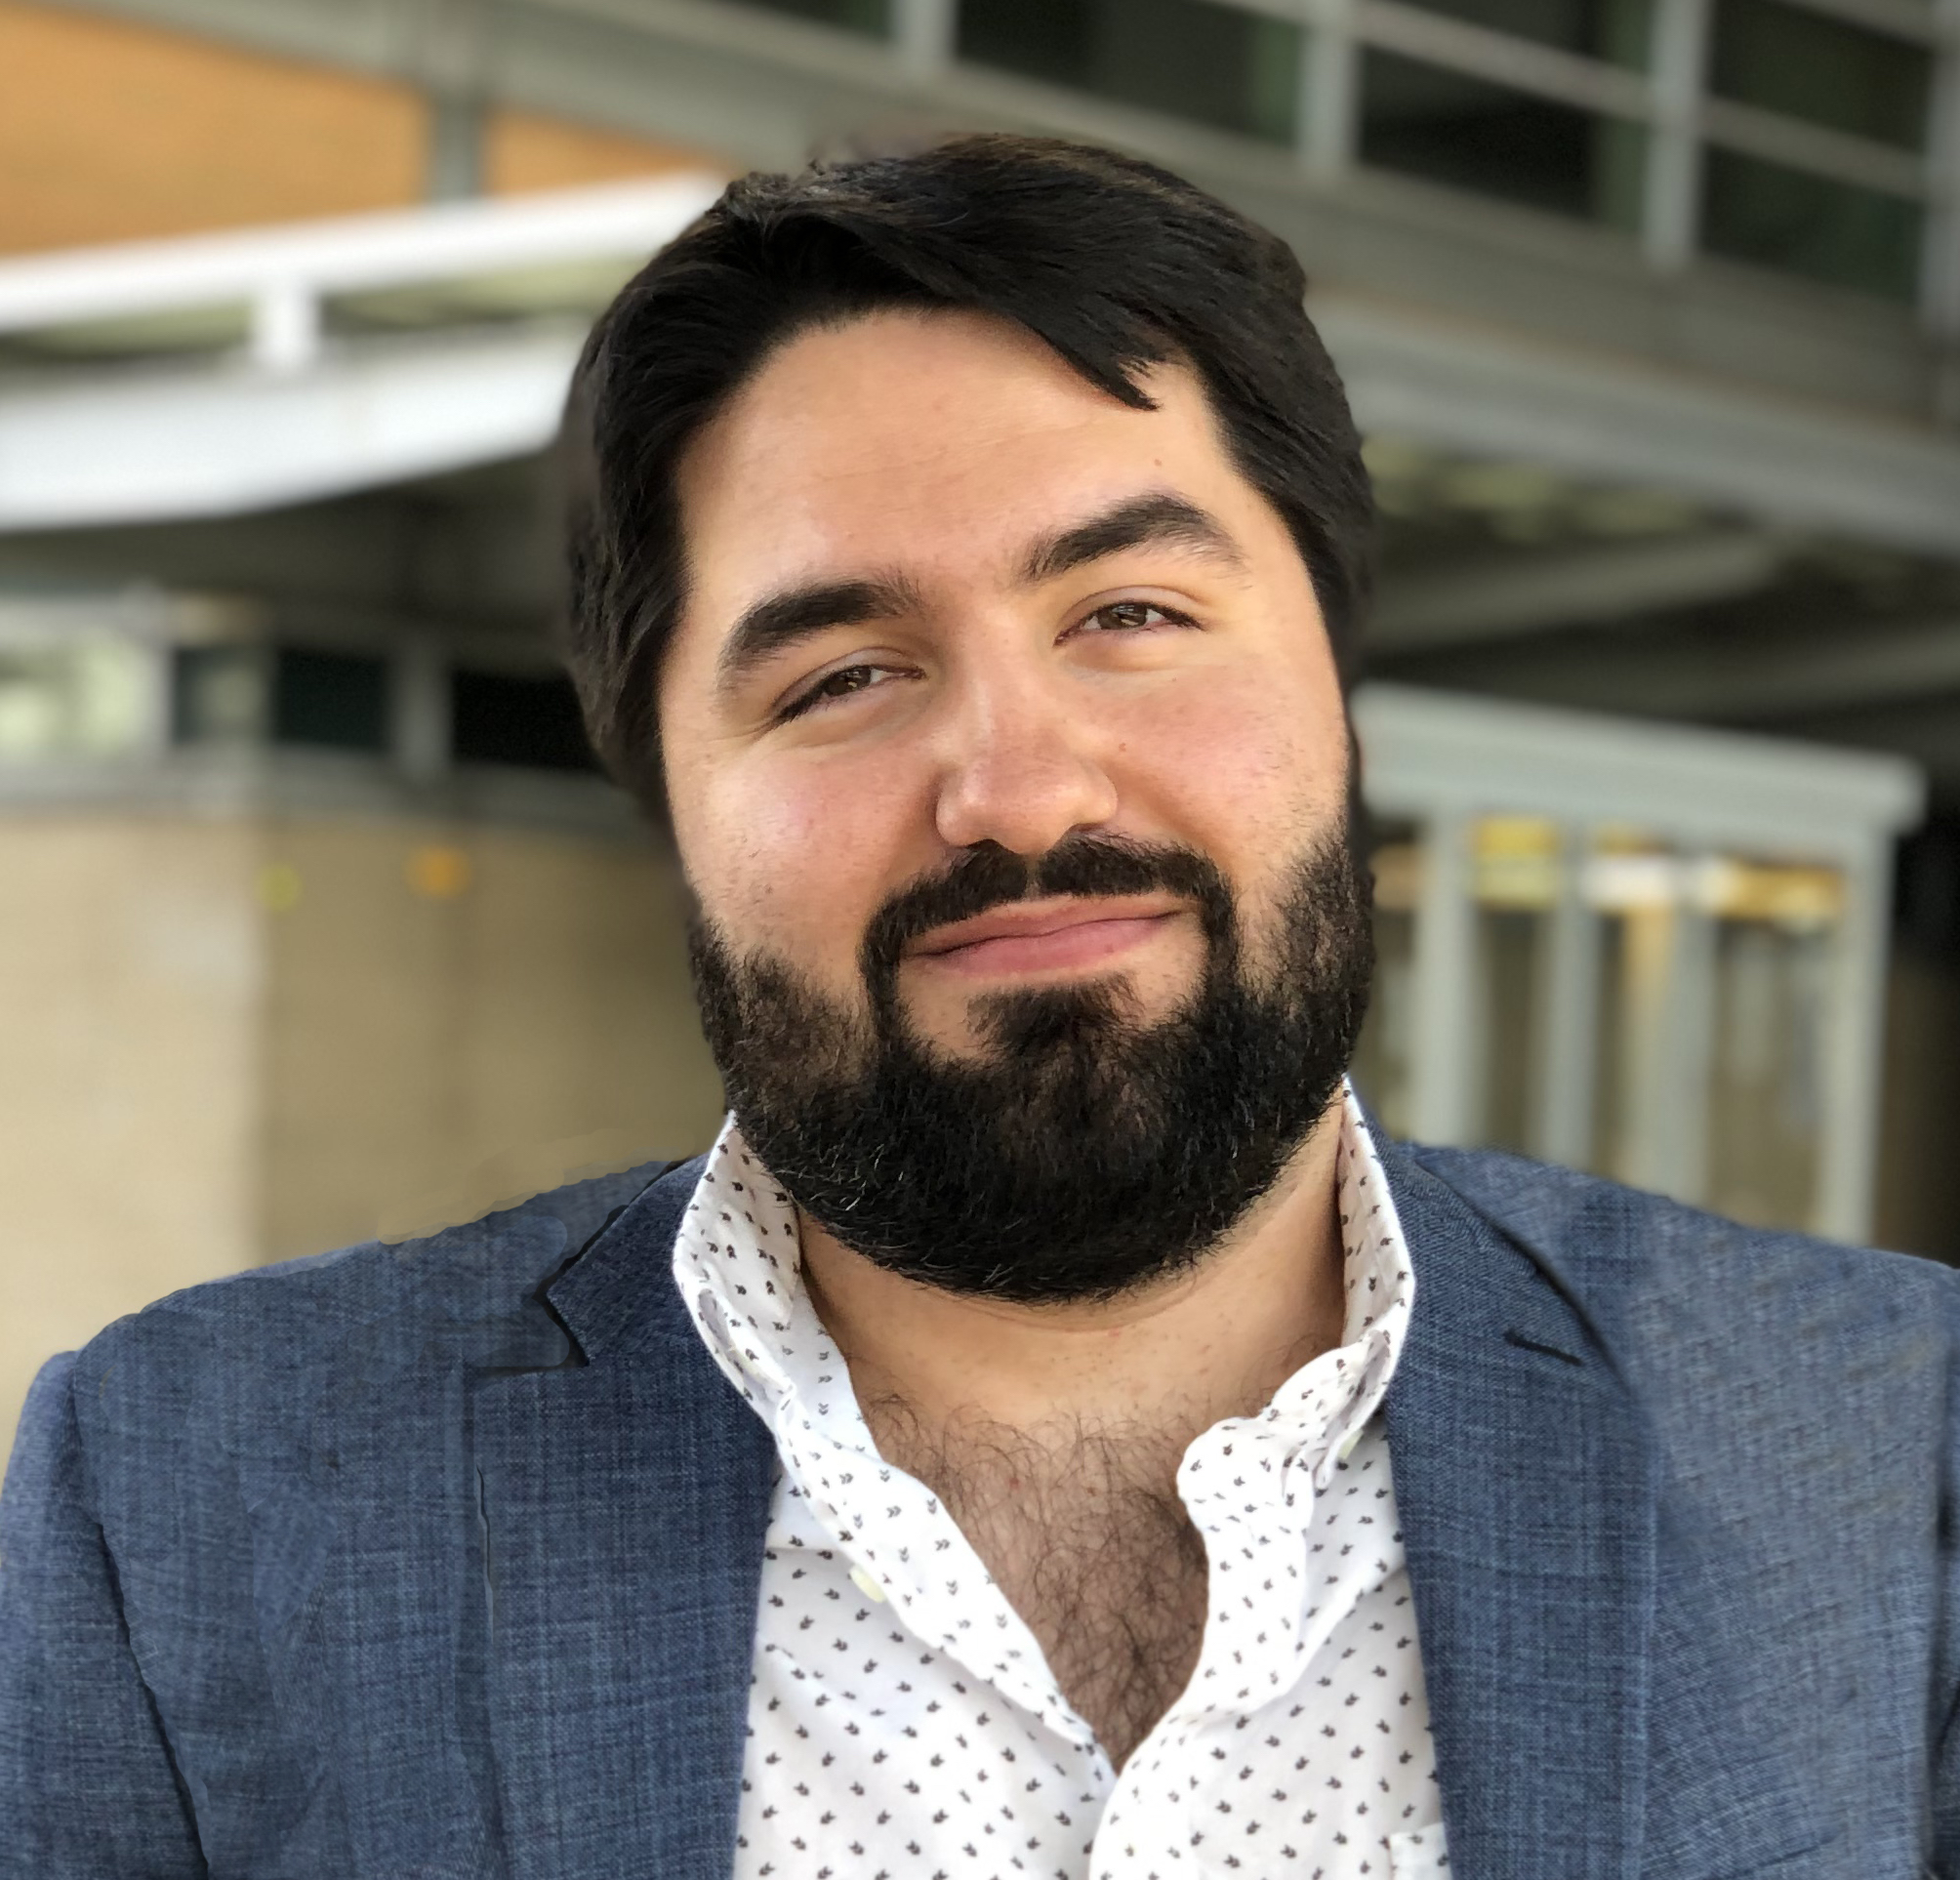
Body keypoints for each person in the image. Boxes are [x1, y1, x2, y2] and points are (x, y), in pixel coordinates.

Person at [2, 135, 1955, 1880]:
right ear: (667, 794)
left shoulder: (1888, 1438)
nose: (1017, 789)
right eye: (842, 673)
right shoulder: (188, 1500)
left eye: (1128, 614)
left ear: (1336, 689)